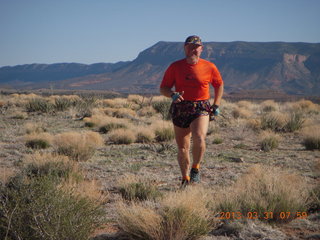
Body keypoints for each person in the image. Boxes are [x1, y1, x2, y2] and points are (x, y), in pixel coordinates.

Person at [159, 35, 224, 187]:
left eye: (196, 47)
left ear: (201, 49)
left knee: (200, 137)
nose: (193, 49)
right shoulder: (175, 66)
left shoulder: (209, 66)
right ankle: (184, 177)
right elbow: (163, 88)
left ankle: (195, 168)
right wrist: (172, 94)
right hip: (181, 107)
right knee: (183, 148)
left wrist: (216, 104)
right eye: (190, 46)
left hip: (201, 106)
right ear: (184, 48)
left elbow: (219, 84)